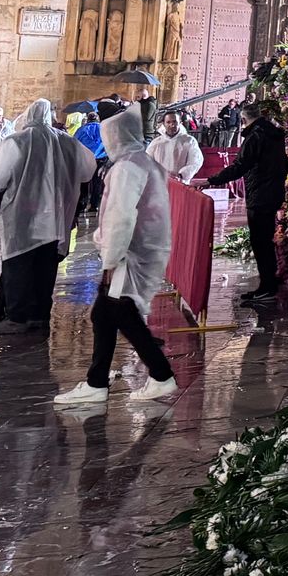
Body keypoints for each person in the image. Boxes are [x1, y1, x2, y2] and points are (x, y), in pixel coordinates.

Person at [53, 108, 178, 407]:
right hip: (140, 250)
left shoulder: (126, 167)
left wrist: (110, 258)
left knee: (121, 312)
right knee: (105, 314)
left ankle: (160, 375)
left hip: (130, 253)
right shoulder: (142, 161)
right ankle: (98, 382)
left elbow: (120, 217)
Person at [0, 100, 96, 335]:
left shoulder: (17, 141)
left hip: (21, 216)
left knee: (18, 264)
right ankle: (39, 316)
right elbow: (87, 169)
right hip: (54, 217)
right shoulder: (66, 141)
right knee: (44, 266)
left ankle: (18, 318)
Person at [206, 98, 288, 304]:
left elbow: (240, 165)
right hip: (271, 191)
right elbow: (285, 163)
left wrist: (213, 180)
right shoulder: (273, 135)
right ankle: (268, 283)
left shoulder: (255, 137)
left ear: (243, 119)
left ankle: (267, 287)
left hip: (260, 194)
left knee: (260, 241)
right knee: (265, 240)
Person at [145, 113, 203, 184]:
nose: (172, 125)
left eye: (174, 122)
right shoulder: (156, 142)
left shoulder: (189, 141)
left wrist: (181, 175)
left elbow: (195, 162)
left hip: (179, 184)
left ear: (180, 123)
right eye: (168, 122)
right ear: (163, 124)